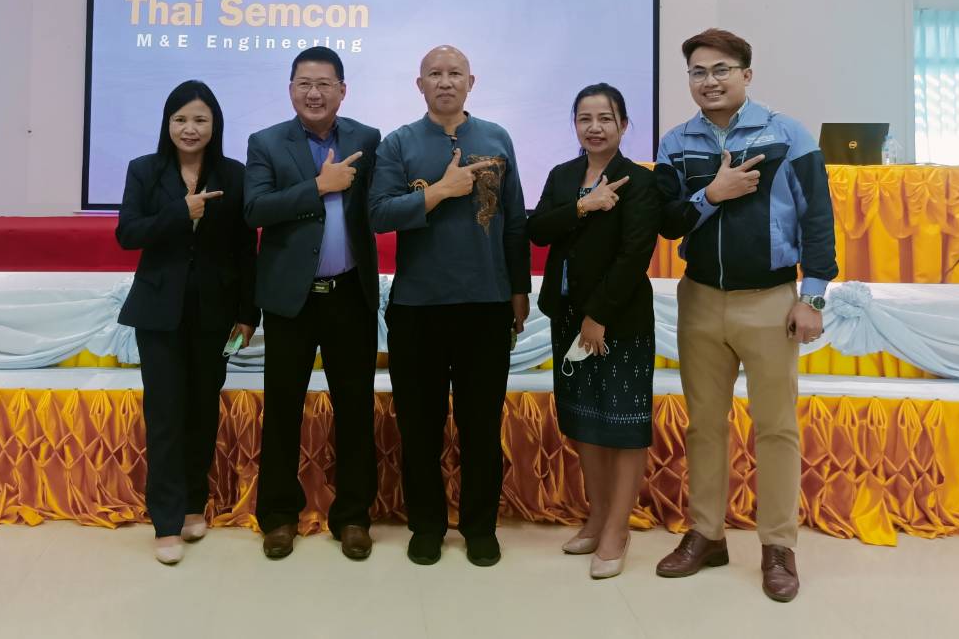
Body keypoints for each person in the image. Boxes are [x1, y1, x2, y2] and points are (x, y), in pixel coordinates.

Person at [652, 29, 837, 602]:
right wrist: (714, 193)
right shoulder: (675, 142)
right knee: (705, 425)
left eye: (721, 70)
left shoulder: (787, 134)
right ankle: (706, 535)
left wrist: (812, 297)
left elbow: (818, 218)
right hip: (701, 299)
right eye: (698, 72)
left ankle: (778, 546)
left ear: (746, 75)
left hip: (770, 301)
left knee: (776, 427)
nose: (709, 81)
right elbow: (668, 221)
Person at [369, 45, 529, 567]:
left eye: (454, 73)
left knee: (481, 425)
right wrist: (438, 192)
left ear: (470, 81)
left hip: (486, 304)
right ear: (420, 85)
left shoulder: (496, 138)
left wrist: (519, 290)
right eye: (434, 74)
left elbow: (514, 220)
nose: (444, 81)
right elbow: (378, 214)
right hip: (418, 307)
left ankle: (480, 527)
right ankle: (427, 526)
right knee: (420, 427)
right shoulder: (398, 143)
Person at [244, 47, 382, 561]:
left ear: (343, 90)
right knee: (283, 410)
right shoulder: (266, 142)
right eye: (304, 83)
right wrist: (318, 187)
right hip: (291, 300)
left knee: (355, 409)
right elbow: (255, 209)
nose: (314, 93)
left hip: (350, 295)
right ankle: (278, 516)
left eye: (325, 84)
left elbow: (380, 206)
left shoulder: (368, 139)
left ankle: (354, 517)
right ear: (290, 89)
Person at [116, 80, 259, 566]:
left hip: (215, 314)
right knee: (165, 415)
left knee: (201, 411)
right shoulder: (145, 170)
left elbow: (246, 249)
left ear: (214, 125)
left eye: (200, 119)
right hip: (158, 314)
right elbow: (127, 233)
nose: (189, 128)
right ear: (167, 124)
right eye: (180, 119)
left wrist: (247, 314)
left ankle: (195, 503)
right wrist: (180, 212)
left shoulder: (234, 175)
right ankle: (165, 520)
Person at [527, 84, 660, 579]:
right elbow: (538, 230)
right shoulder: (563, 175)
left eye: (606, 118)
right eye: (585, 118)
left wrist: (598, 314)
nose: (595, 127)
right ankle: (597, 517)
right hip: (566, 316)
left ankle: (617, 529)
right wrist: (584, 206)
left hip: (618, 319)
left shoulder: (639, 182)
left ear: (623, 125)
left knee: (623, 425)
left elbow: (634, 254)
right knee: (585, 422)